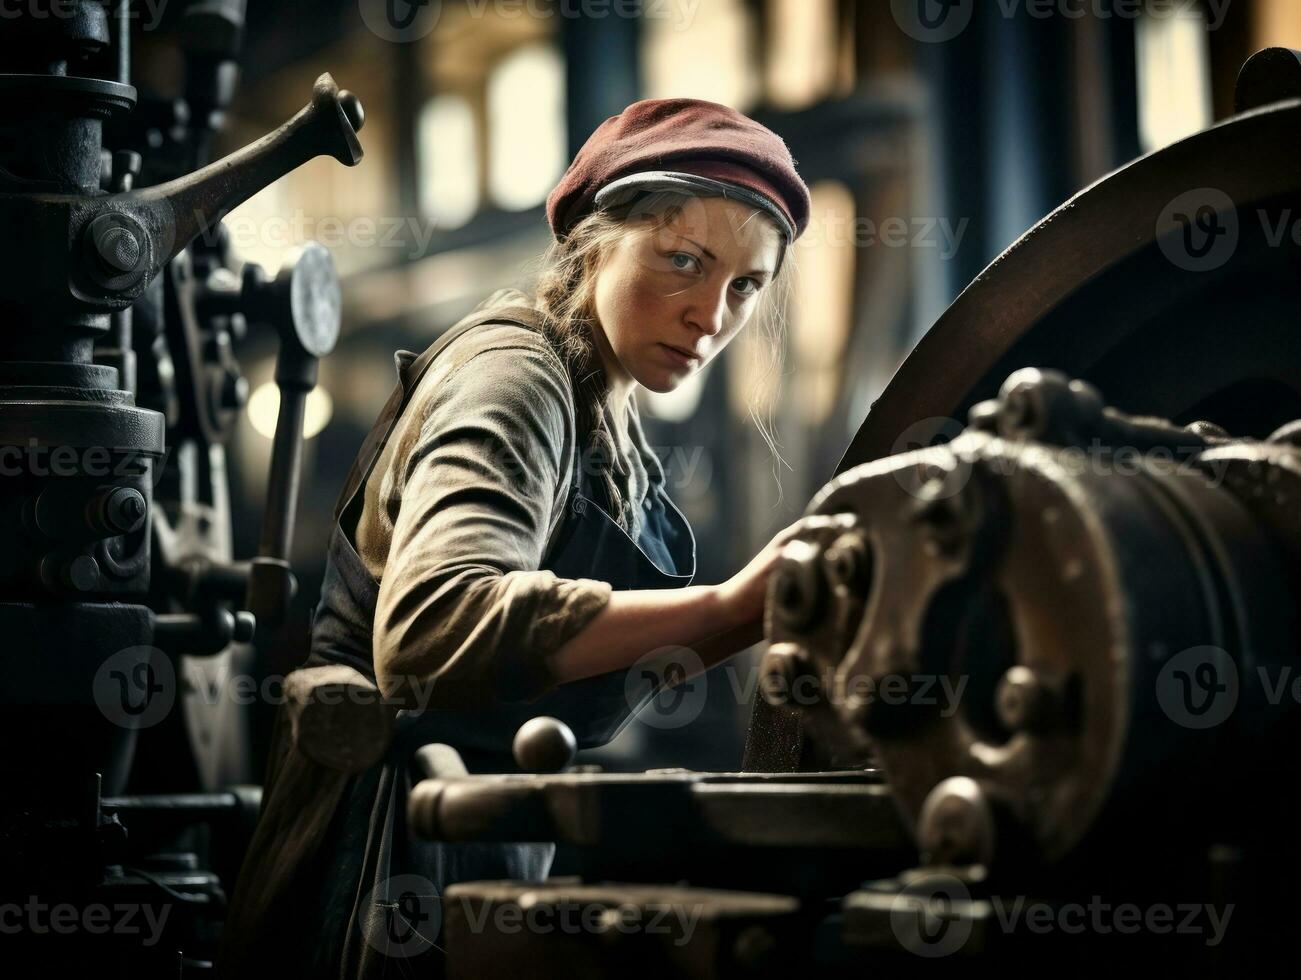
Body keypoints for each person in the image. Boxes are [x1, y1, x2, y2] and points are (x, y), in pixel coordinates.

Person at [217, 97, 813, 979]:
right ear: (592, 241)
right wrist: (731, 603)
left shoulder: (608, 417)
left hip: (479, 842)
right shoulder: (517, 380)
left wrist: (756, 614)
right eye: (682, 260)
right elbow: (431, 630)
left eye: (743, 286)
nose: (711, 315)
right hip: (379, 856)